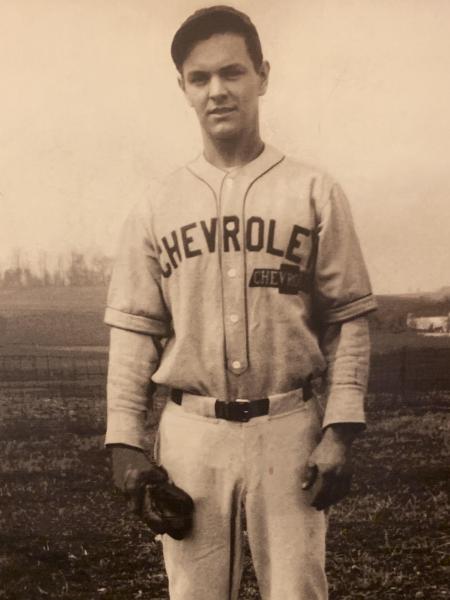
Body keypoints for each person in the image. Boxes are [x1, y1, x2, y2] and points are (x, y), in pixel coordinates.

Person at [104, 6, 377, 599]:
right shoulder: (157, 204)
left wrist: (339, 432)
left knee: (298, 592)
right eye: (199, 79)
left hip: (289, 426)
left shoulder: (312, 189)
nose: (217, 91)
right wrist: (125, 444)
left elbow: (348, 320)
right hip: (191, 435)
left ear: (263, 75)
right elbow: (134, 335)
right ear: (183, 89)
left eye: (233, 72)